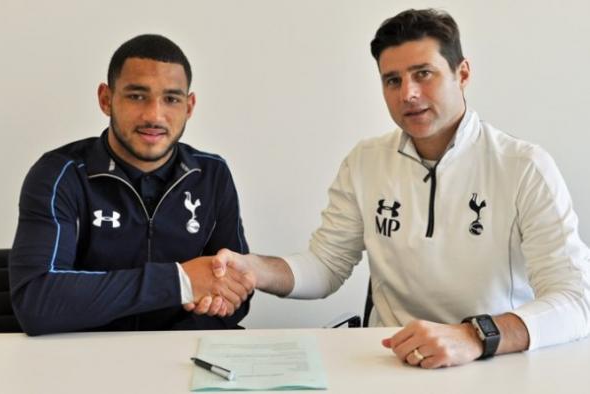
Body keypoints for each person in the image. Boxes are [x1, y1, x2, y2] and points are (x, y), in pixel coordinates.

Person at [194, 9, 590, 368]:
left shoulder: (523, 166)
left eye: (424, 74)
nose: (408, 94)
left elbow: (576, 300)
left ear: (462, 73)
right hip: (391, 360)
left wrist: (474, 335)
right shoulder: (365, 162)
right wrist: (254, 269)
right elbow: (326, 266)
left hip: (492, 364)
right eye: (392, 80)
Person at [9, 34, 254, 336]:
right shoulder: (60, 174)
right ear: (106, 99)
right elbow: (36, 302)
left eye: (171, 99)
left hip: (183, 364)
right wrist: (180, 281)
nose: (154, 115)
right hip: (83, 364)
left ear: (189, 107)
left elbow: (237, 288)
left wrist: (210, 311)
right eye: (137, 96)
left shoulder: (212, 174)